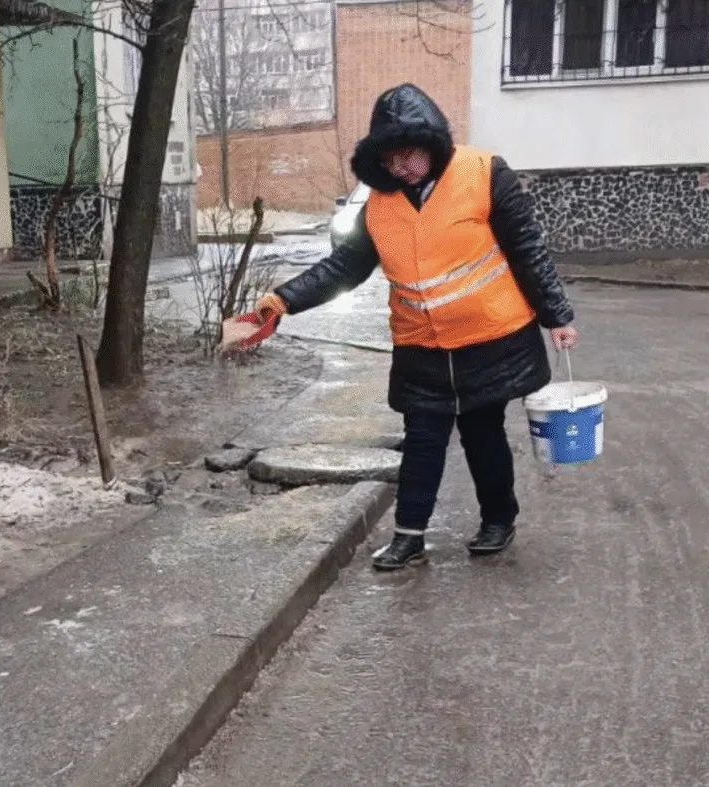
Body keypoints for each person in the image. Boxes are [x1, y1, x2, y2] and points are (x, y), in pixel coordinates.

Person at [237, 83, 577, 571]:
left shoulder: (485, 174)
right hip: (423, 345)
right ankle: (409, 535)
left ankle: (498, 520)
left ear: (432, 144)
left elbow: (527, 249)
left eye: (409, 155)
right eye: (391, 160)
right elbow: (344, 267)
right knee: (422, 439)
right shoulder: (380, 204)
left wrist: (557, 316)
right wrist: (281, 302)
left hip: (489, 339)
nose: (400, 168)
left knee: (484, 435)